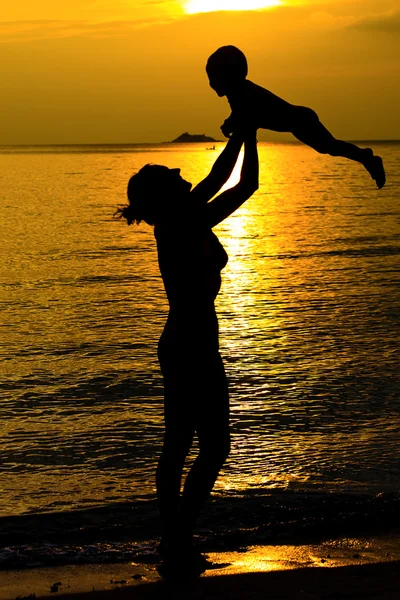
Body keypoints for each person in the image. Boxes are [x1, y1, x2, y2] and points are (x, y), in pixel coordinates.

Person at [115, 128, 258, 578]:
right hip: (188, 345)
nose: (180, 170)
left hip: (189, 342)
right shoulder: (182, 222)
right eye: (169, 171)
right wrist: (247, 130)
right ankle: (176, 539)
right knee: (202, 446)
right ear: (164, 193)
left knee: (191, 445)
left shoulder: (186, 213)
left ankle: (175, 538)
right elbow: (242, 185)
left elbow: (223, 177)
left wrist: (244, 130)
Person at [206, 45, 385, 189]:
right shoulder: (237, 95)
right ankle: (365, 157)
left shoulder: (243, 93)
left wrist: (232, 124)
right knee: (329, 147)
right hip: (296, 122)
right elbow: (240, 115)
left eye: (213, 77)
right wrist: (231, 123)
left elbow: (243, 115)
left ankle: (366, 157)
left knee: (330, 147)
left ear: (229, 76)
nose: (211, 83)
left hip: (300, 119)